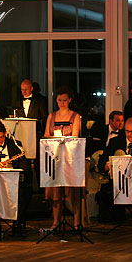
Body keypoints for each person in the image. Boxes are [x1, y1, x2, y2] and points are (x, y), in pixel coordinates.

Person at [96, 117, 132, 223]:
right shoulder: (115, 142)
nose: (129, 135)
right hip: (118, 181)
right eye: (127, 131)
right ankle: (116, 217)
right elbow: (102, 160)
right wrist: (105, 165)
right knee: (105, 192)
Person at [44, 86, 82, 230]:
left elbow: (76, 136)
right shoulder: (51, 116)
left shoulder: (75, 116)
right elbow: (47, 135)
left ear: (70, 100)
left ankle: (77, 221)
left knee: (73, 191)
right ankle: (56, 221)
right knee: (56, 191)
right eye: (60, 100)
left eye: (65, 100)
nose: (62, 103)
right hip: (54, 158)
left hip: (71, 158)